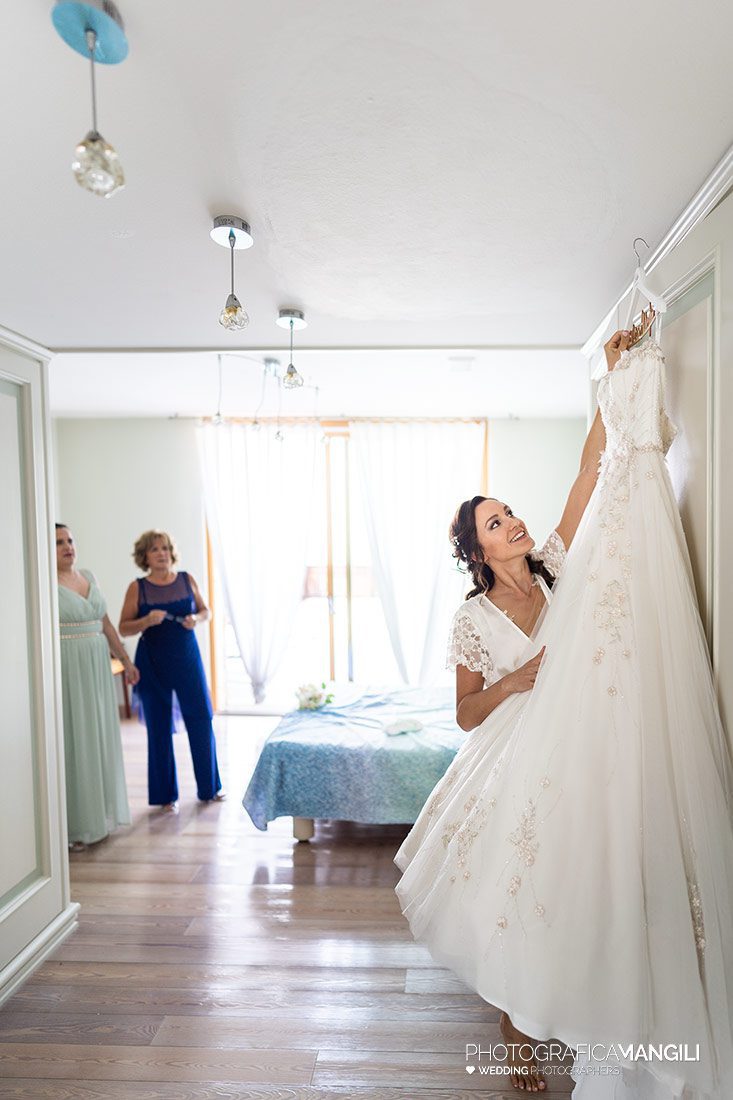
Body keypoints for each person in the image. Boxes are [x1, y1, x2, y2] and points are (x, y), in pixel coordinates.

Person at [395, 325, 733, 1100]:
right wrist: (513, 684)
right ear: (475, 551)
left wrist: (608, 379)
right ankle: (515, 1035)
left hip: (586, 736)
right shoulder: (471, 620)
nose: (510, 521)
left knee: (584, 882)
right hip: (517, 750)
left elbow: (589, 472)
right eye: (493, 521)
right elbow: (464, 716)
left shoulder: (552, 564)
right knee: (516, 889)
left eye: (507, 510)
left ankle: (588, 998)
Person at [119, 529, 224, 812]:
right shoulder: (137, 588)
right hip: (151, 662)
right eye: (155, 549)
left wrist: (196, 618)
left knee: (201, 716)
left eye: (165, 548)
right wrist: (146, 620)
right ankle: (166, 797)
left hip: (187, 658)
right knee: (159, 726)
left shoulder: (186, 579)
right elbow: (123, 627)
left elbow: (207, 611)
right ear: (145, 557)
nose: (162, 554)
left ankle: (210, 788)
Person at [56, 524, 137, 849]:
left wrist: (126, 661)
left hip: (96, 667)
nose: (68, 547)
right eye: (59, 542)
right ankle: (75, 823)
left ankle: (99, 815)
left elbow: (104, 624)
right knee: (76, 738)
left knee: (99, 734)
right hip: (67, 667)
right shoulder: (43, 583)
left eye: (70, 540)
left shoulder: (88, 575)